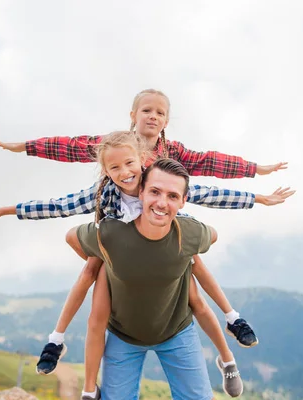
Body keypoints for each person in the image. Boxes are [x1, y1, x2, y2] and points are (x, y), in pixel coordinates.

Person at [0, 131, 295, 399]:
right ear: (105, 170)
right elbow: (59, 204)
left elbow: (208, 190)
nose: (124, 173)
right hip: (117, 248)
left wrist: (258, 197)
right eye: (114, 168)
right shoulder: (104, 195)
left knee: (194, 276)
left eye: (130, 164)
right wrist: (9, 208)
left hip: (169, 245)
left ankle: (232, 322)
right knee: (90, 284)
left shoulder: (159, 181)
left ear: (142, 159)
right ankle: (57, 341)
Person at [86, 157, 233, 400]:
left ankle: (228, 360)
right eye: (155, 191)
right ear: (140, 192)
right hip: (124, 335)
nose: (162, 203)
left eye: (173, 196)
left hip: (177, 331)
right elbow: (73, 237)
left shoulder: (190, 233)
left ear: (184, 201)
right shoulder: (113, 233)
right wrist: (111, 261)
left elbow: (212, 236)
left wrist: (185, 255)